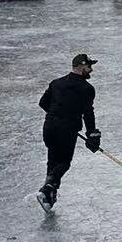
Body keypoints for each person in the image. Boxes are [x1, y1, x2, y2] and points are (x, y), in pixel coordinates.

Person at [36, 54, 100, 213]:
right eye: (89, 67)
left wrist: (57, 116)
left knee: (53, 162)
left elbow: (43, 103)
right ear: (80, 66)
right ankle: (47, 189)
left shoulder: (56, 83)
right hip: (67, 130)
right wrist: (91, 134)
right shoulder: (87, 88)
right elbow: (88, 113)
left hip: (49, 127)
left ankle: (49, 197)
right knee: (64, 162)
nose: (91, 70)